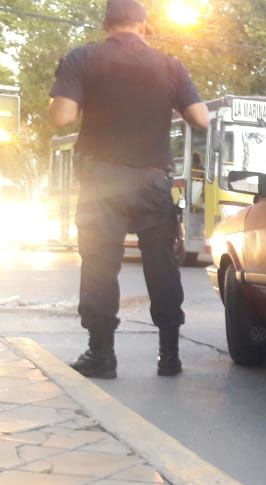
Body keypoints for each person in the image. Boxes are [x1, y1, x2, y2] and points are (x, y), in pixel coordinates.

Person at [49, 0, 209, 378]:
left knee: (100, 266)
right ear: (144, 25)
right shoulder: (170, 64)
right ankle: (169, 356)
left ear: (107, 24)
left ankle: (101, 355)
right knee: (162, 265)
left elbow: (63, 116)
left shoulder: (82, 58)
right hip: (152, 179)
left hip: (100, 181)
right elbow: (201, 117)